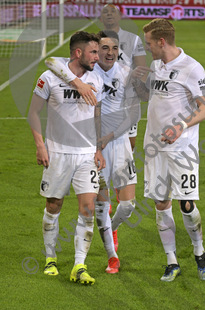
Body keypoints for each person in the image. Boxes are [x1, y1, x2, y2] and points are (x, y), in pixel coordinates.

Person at [44, 30, 140, 274]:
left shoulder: (126, 72)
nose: (108, 53)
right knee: (97, 206)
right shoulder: (88, 69)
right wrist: (76, 82)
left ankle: (112, 226)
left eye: (114, 48)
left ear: (119, 52)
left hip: (116, 141)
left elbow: (134, 112)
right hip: (91, 145)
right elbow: (52, 61)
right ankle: (111, 256)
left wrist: (125, 138)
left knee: (128, 205)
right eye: (103, 48)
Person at [131, 18, 205, 282]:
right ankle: (171, 260)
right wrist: (137, 84)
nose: (148, 48)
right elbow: (152, 98)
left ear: (162, 42)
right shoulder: (157, 65)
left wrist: (180, 127)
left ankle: (199, 252)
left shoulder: (192, 68)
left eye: (150, 43)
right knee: (161, 203)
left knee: (186, 204)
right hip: (154, 148)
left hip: (182, 150)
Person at [28, 31, 105, 285]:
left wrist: (99, 148)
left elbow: (97, 116)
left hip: (85, 155)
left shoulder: (98, 79)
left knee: (88, 209)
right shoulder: (49, 77)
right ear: (78, 52)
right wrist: (40, 145)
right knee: (53, 206)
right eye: (94, 52)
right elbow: (34, 113)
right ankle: (50, 258)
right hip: (57, 154)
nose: (98, 56)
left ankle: (79, 265)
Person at [99, 3, 147, 151]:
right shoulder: (95, 40)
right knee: (100, 139)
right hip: (103, 96)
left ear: (120, 16)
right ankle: (101, 173)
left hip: (126, 98)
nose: (109, 14)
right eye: (105, 11)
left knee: (129, 144)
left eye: (113, 11)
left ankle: (124, 171)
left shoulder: (133, 39)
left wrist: (139, 91)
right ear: (100, 18)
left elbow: (142, 70)